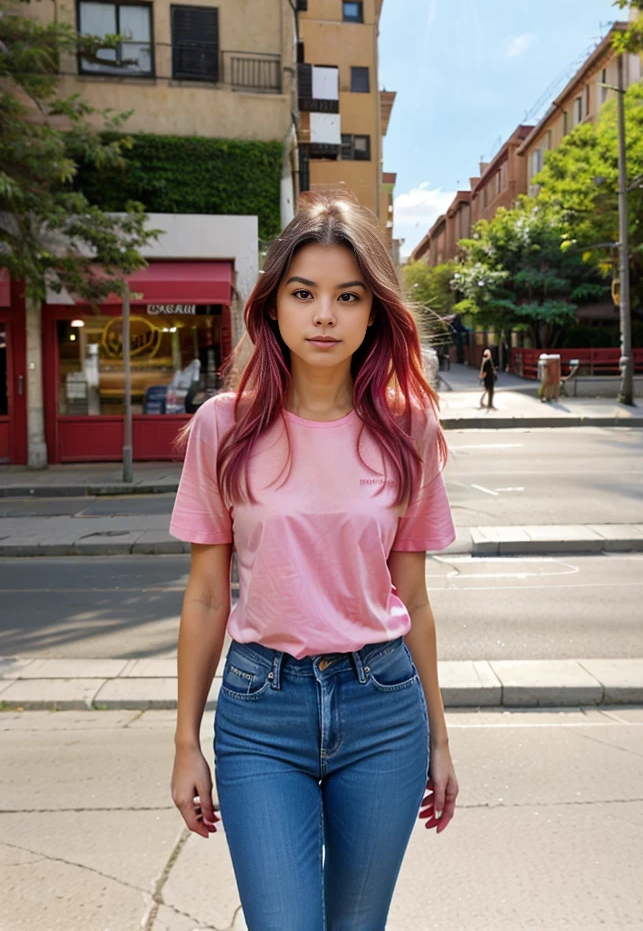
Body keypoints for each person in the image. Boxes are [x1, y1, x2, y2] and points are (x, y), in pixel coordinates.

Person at [169, 194, 460, 931]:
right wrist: (184, 743)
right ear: (272, 308)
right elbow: (207, 597)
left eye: (347, 297)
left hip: (383, 708)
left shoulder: (408, 430)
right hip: (261, 713)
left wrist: (440, 738)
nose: (324, 315)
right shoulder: (223, 427)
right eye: (304, 294)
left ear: (373, 314)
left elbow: (415, 599)